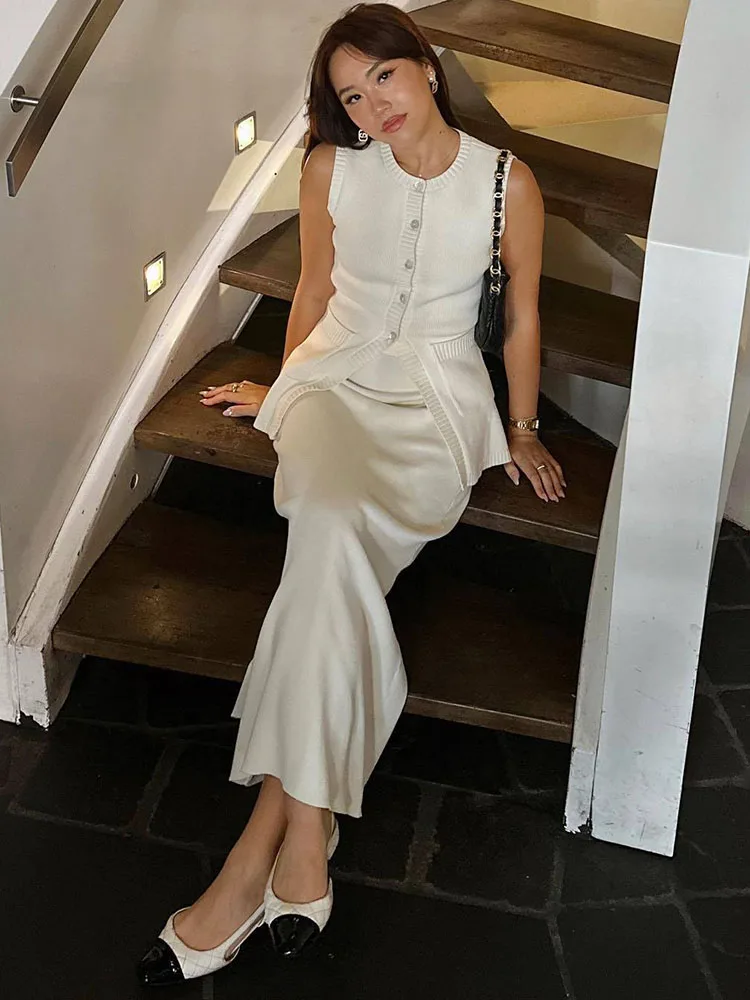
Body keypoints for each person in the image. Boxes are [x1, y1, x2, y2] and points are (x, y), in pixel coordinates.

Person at [138, 2, 564, 986]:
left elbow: (521, 315)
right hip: (333, 383)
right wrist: (285, 388)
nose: (373, 105)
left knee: (326, 558)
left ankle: (276, 834)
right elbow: (315, 291)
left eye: (383, 76)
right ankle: (291, 841)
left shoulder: (507, 182)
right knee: (328, 524)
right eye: (351, 95)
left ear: (425, 64)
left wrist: (522, 426)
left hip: (439, 404)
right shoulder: (332, 168)